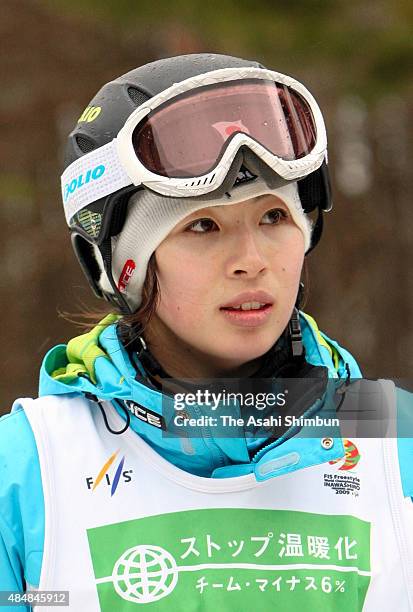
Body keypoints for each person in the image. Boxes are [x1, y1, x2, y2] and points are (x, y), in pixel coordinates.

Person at [0, 53, 412, 611]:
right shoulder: (30, 467)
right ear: (126, 270)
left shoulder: (398, 441)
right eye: (202, 226)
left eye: (273, 217)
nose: (251, 260)